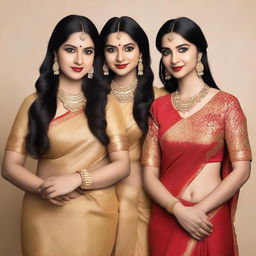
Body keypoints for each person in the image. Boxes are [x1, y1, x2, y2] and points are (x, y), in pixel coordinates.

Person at [2, 15, 130, 256]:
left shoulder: (105, 104)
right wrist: (43, 188)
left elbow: (122, 166)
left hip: (93, 212)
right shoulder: (33, 104)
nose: (80, 59)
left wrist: (77, 179)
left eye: (88, 51)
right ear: (55, 54)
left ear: (95, 58)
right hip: (41, 211)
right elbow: (9, 167)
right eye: (70, 49)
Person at [142, 17, 252, 256]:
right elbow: (149, 176)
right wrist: (179, 211)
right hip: (168, 216)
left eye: (183, 49)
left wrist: (198, 212)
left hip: (209, 218)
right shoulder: (158, 107)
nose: (174, 58)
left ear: (199, 52)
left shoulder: (226, 104)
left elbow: (242, 169)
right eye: (166, 51)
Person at [97, 16, 166, 256]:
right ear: (102, 55)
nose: (120, 57)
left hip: (139, 199)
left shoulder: (161, 99)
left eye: (128, 48)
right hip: (94, 197)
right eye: (111, 49)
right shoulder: (91, 98)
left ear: (141, 53)